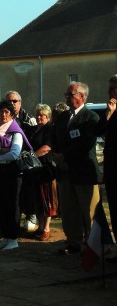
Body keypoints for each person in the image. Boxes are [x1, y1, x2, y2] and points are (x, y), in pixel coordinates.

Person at [52, 82, 100, 255]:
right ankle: (73, 242)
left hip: (84, 172)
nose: (66, 97)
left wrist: (66, 157)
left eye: (69, 94)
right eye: (66, 94)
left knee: (89, 211)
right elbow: (55, 139)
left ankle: (94, 244)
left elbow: (85, 144)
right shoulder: (62, 117)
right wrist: (57, 157)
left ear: (81, 96)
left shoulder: (91, 117)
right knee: (69, 209)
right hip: (65, 172)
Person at [0, 100, 29, 250]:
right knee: (0, 204)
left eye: (7, 112)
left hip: (11, 172)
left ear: (12, 114)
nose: (3, 115)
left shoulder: (15, 132)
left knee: (12, 204)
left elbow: (14, 153)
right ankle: (5, 236)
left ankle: (13, 238)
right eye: (1, 112)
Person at [23, 104, 58, 241]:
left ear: (48, 116)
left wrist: (31, 156)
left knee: (45, 199)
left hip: (45, 168)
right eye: (37, 114)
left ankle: (47, 228)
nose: (39, 117)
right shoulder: (33, 130)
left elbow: (46, 148)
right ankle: (40, 226)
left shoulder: (50, 129)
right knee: (36, 199)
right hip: (33, 169)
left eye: (42, 115)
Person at [5, 90, 38, 231]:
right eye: (9, 101)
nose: (12, 104)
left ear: (20, 103)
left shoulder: (29, 119)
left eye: (14, 101)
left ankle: (31, 215)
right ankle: (12, 222)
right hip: (8, 160)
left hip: (25, 161)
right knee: (12, 193)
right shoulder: (4, 117)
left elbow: (34, 141)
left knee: (27, 190)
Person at [96, 75, 117, 233]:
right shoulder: (108, 110)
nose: (109, 93)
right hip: (111, 168)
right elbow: (99, 131)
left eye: (112, 89)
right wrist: (109, 115)